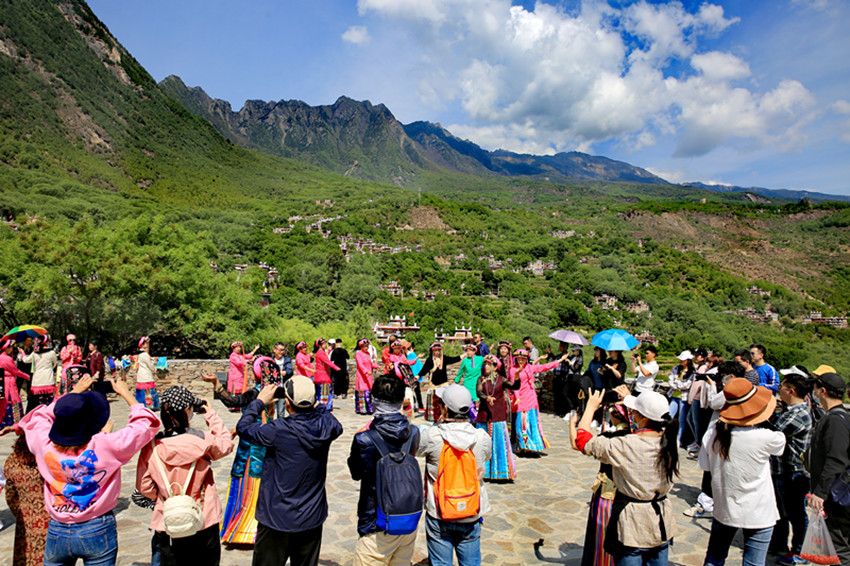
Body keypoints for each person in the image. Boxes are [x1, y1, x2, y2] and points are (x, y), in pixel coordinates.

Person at [17, 375, 160, 566]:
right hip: (97, 525)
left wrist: (72, 396)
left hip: (58, 527)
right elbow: (145, 423)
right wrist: (126, 394)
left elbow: (39, 417)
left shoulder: (43, 444)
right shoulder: (105, 444)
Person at [237, 375, 343, 566]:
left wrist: (259, 402)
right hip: (311, 515)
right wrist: (314, 403)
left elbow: (243, 428)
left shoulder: (277, 430)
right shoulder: (327, 426)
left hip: (275, 516)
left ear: (287, 402)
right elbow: (333, 421)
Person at [572, 388, 678, 565]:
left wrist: (590, 407)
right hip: (660, 521)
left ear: (643, 418)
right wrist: (632, 399)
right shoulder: (669, 439)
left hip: (632, 524)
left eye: (635, 412)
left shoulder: (625, 445)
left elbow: (583, 440)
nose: (633, 415)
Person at [136, 386, 234, 566]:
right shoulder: (203, 440)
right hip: (203, 516)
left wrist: (164, 496)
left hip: (169, 518)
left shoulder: (151, 447)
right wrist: (211, 415)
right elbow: (226, 444)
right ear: (187, 410)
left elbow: (144, 486)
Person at [699, 378, 786, 566]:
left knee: (714, 558)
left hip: (724, 507)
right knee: (753, 563)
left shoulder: (713, 433)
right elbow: (780, 440)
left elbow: (706, 466)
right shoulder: (765, 437)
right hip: (759, 510)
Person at [202, 366, 286, 546]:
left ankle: (246, 529)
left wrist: (216, 383)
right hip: (262, 444)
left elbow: (233, 401)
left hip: (253, 445)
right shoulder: (270, 392)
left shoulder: (259, 393)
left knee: (248, 482)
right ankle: (256, 528)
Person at [347, 374, 421, 565]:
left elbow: (356, 473)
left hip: (376, 520)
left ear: (373, 399)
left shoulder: (364, 439)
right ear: (401, 400)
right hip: (406, 517)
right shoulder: (413, 432)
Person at [417, 384, 491, 566]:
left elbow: (416, 449)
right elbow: (486, 456)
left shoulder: (433, 436)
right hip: (471, 511)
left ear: (444, 408)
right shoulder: (481, 437)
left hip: (440, 512)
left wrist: (437, 424)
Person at [569, 401, 631, 566]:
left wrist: (575, 422)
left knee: (603, 533)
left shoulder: (610, 440)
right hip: (630, 494)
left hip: (608, 494)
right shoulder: (638, 437)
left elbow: (578, 443)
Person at [806, 371, 850, 565]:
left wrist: (820, 492)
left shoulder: (835, 419)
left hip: (836, 494)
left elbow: (836, 459)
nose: (813, 392)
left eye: (815, 388)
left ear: (822, 391)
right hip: (838, 491)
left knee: (839, 548)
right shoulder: (839, 416)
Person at [769, 370, 812, 564]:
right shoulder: (790, 411)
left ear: (791, 391)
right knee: (780, 511)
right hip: (782, 471)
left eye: (782, 387)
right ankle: (779, 545)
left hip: (792, 473)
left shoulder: (798, 414)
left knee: (796, 514)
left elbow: (774, 433)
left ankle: (799, 551)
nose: (779, 391)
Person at [3, 431, 50, 566]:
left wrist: (22, 512)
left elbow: (10, 496)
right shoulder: (48, 459)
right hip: (50, 521)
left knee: (26, 558)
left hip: (25, 521)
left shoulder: (12, 460)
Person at [510, 348, 567, 454]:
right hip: (520, 399)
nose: (521, 361)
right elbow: (514, 386)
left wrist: (559, 361)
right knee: (521, 423)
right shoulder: (513, 370)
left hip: (530, 397)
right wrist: (517, 397)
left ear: (526, 359)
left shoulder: (530, 368)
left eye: (523, 359)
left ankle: (532, 445)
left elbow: (544, 367)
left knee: (532, 422)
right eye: (519, 359)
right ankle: (522, 445)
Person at [476, 354, 519, 480]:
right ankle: (484, 472)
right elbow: (479, 392)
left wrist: (517, 376)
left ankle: (501, 472)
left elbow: (515, 386)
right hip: (484, 414)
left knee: (499, 444)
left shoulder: (501, 379)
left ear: (495, 367)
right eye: (485, 364)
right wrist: (486, 398)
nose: (486, 366)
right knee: (483, 444)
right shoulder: (481, 379)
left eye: (489, 364)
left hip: (498, 415)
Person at [418, 343, 462, 422]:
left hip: (443, 384)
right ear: (432, 351)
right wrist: (418, 376)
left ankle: (444, 416)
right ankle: (433, 417)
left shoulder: (443, 358)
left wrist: (463, 356)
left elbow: (453, 359)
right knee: (434, 401)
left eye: (439, 350)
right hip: (433, 385)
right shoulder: (430, 360)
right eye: (436, 350)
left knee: (444, 401)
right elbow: (424, 369)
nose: (437, 352)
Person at [21, 335, 58, 412]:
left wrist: (22, 353)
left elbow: (25, 360)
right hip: (48, 380)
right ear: (46, 342)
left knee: (36, 403)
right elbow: (55, 363)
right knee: (48, 403)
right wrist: (50, 368)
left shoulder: (35, 353)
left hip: (37, 381)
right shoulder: (51, 353)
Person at [666, 351, 694, 445]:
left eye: (683, 359)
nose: (681, 361)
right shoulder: (676, 368)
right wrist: (678, 385)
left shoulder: (691, 372)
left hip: (683, 398)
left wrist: (676, 383)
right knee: (669, 416)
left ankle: (678, 439)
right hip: (674, 396)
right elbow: (670, 381)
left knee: (681, 419)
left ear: (688, 360)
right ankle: (667, 436)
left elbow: (687, 386)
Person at [0, 339, 30, 426]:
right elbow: (15, 371)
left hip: (2, 382)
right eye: (11, 347)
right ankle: (13, 421)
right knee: (13, 399)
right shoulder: (7, 359)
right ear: (6, 348)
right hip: (9, 382)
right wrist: (26, 376)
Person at [454, 343, 483, 416]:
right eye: (467, 351)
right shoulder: (465, 361)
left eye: (470, 350)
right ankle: (470, 418)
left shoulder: (480, 359)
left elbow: (489, 359)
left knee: (477, 402)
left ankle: (477, 419)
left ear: (474, 351)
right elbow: (460, 372)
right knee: (468, 403)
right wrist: (456, 380)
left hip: (477, 384)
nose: (468, 352)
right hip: (467, 384)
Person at [313, 338, 341, 410]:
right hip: (322, 375)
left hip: (324, 374)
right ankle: (323, 406)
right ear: (320, 345)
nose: (325, 345)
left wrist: (329, 349)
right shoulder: (320, 353)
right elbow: (327, 361)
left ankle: (326, 406)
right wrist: (335, 367)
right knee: (324, 391)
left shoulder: (322, 352)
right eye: (324, 344)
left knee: (326, 390)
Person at [355, 339, 381, 415]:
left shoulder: (368, 354)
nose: (366, 348)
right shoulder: (358, 354)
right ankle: (362, 409)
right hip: (361, 376)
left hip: (368, 377)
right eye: (365, 346)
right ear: (361, 347)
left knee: (368, 393)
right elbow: (360, 365)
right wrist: (366, 371)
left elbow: (370, 363)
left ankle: (369, 408)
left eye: (367, 346)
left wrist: (377, 366)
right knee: (362, 393)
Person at [136, 336, 160, 410]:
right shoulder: (145, 355)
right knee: (148, 390)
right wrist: (154, 362)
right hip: (146, 375)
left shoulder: (140, 354)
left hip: (141, 375)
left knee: (142, 392)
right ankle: (149, 406)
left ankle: (141, 405)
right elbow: (150, 366)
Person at [272, 342, 294, 417]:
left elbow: (289, 371)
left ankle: (280, 424)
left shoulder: (287, 360)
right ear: (274, 350)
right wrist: (280, 373)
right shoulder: (270, 360)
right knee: (270, 411)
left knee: (281, 412)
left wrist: (277, 373)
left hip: (282, 387)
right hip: (272, 388)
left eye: (283, 350)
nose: (281, 352)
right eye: (279, 350)